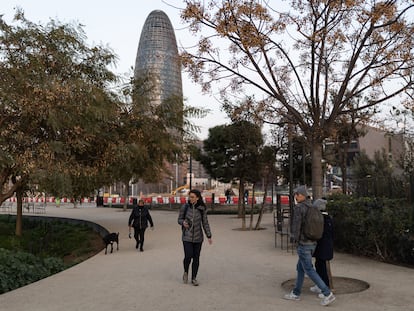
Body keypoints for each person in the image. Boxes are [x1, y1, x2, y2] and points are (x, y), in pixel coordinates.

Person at [283, 186, 336, 306]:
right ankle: (296, 293)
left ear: (302, 195)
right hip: (313, 243)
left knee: (308, 269)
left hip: (304, 243)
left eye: (297, 194)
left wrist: (293, 240)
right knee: (300, 268)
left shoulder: (300, 208)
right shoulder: (313, 207)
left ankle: (327, 293)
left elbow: (296, 226)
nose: (295, 196)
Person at [177, 189, 212, 286]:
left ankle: (194, 278)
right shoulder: (185, 207)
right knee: (188, 256)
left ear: (197, 197)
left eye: (192, 197)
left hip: (198, 238)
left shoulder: (202, 209)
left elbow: (205, 223)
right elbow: (179, 219)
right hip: (186, 236)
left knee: (196, 258)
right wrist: (183, 222)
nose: (190, 198)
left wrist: (209, 235)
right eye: (189, 196)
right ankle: (185, 271)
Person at [310, 198, 334, 295]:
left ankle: (325, 287)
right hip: (324, 247)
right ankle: (320, 285)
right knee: (319, 265)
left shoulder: (322, 219)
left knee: (322, 267)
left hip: (322, 247)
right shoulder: (328, 218)